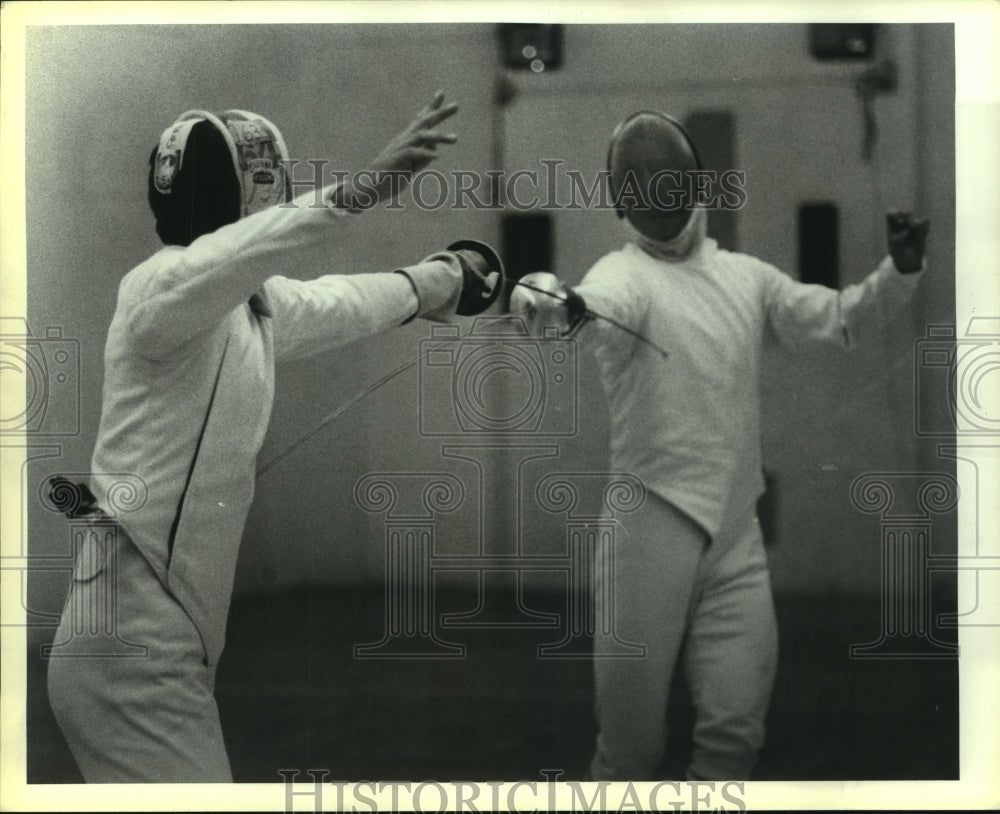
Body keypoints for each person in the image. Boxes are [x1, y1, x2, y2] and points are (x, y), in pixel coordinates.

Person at [46, 92, 494, 782]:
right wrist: (361, 189)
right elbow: (244, 252)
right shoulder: (157, 291)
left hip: (154, 645)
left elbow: (340, 301)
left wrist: (443, 279)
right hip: (130, 654)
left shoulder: (239, 309)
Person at [510, 110, 929, 781]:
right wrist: (559, 305)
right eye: (640, 183)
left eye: (669, 178)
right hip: (646, 536)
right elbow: (594, 309)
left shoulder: (746, 278)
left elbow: (839, 318)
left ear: (698, 184)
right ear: (621, 202)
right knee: (629, 754)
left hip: (736, 539)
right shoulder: (622, 275)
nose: (659, 195)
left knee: (734, 743)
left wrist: (900, 271)